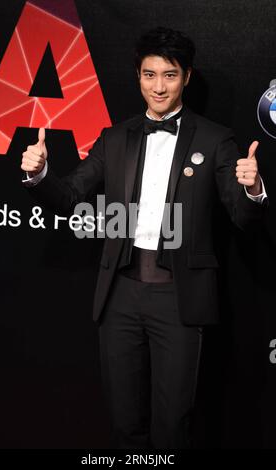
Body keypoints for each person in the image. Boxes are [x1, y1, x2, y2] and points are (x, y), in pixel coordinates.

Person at [21, 27, 267, 449]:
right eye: (149, 75)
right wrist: (39, 173)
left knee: (173, 425)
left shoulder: (214, 139)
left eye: (169, 75)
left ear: (187, 77)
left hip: (179, 300)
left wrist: (253, 187)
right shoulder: (115, 137)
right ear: (137, 76)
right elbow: (70, 196)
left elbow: (243, 217)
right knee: (124, 423)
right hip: (119, 298)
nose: (159, 86)